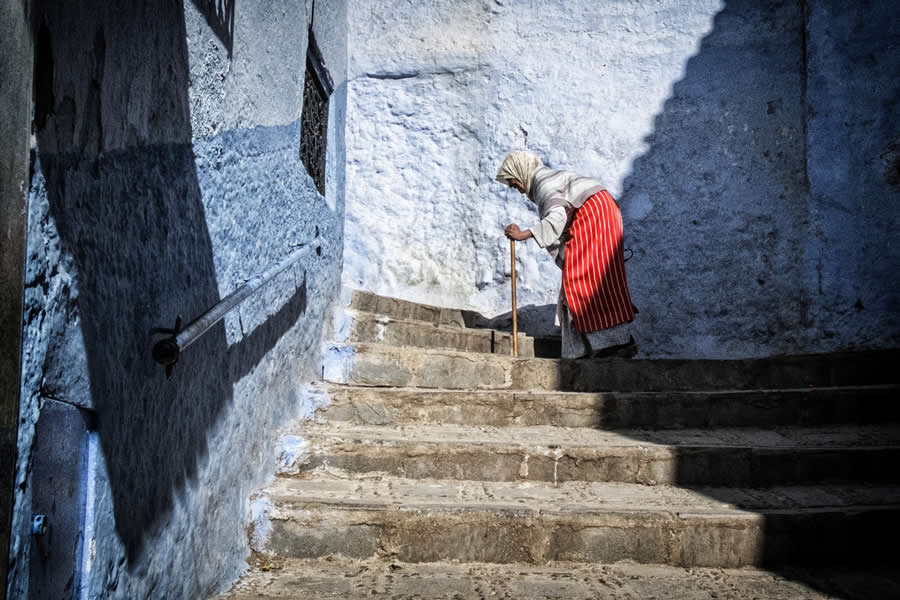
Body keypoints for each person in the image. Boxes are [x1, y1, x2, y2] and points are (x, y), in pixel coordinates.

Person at [497, 150, 636, 359]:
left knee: (580, 281)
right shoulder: (551, 178)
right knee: (600, 277)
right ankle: (608, 344)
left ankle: (609, 344)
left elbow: (556, 218)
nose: (517, 190)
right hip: (605, 211)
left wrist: (523, 234)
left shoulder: (543, 184)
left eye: (514, 183)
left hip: (593, 215)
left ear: (521, 172)